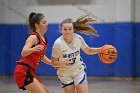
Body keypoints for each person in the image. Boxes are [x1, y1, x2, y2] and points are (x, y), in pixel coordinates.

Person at [51, 15, 106, 93]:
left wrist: (101, 49)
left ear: (74, 30)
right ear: (61, 30)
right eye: (65, 29)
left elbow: (88, 50)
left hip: (78, 70)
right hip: (64, 73)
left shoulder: (78, 39)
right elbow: (53, 62)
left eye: (70, 29)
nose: (68, 31)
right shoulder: (58, 44)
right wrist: (60, 63)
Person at [14, 12, 51, 93]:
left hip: (31, 71)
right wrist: (34, 48)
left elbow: (41, 56)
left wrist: (52, 63)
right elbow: (23, 52)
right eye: (44, 22)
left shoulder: (44, 38)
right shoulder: (33, 37)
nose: (46, 24)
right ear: (37, 25)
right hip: (23, 70)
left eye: (46, 22)